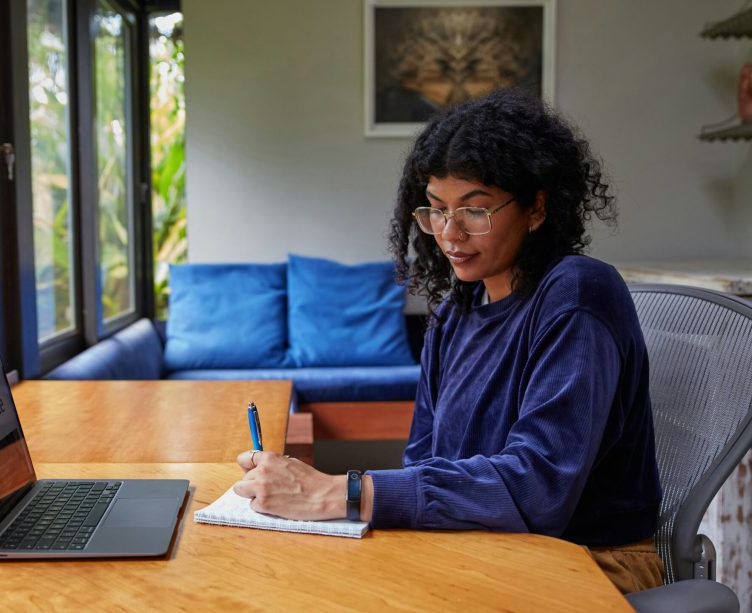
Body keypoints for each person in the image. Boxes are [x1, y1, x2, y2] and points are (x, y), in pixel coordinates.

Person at [233, 88, 663, 594]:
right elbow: (423, 461)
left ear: (537, 208)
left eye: (475, 211)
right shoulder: (455, 313)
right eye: (436, 210)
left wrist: (341, 492)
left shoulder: (576, 294)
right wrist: (321, 500)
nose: (450, 234)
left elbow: (538, 488)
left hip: (586, 561)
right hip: (481, 546)